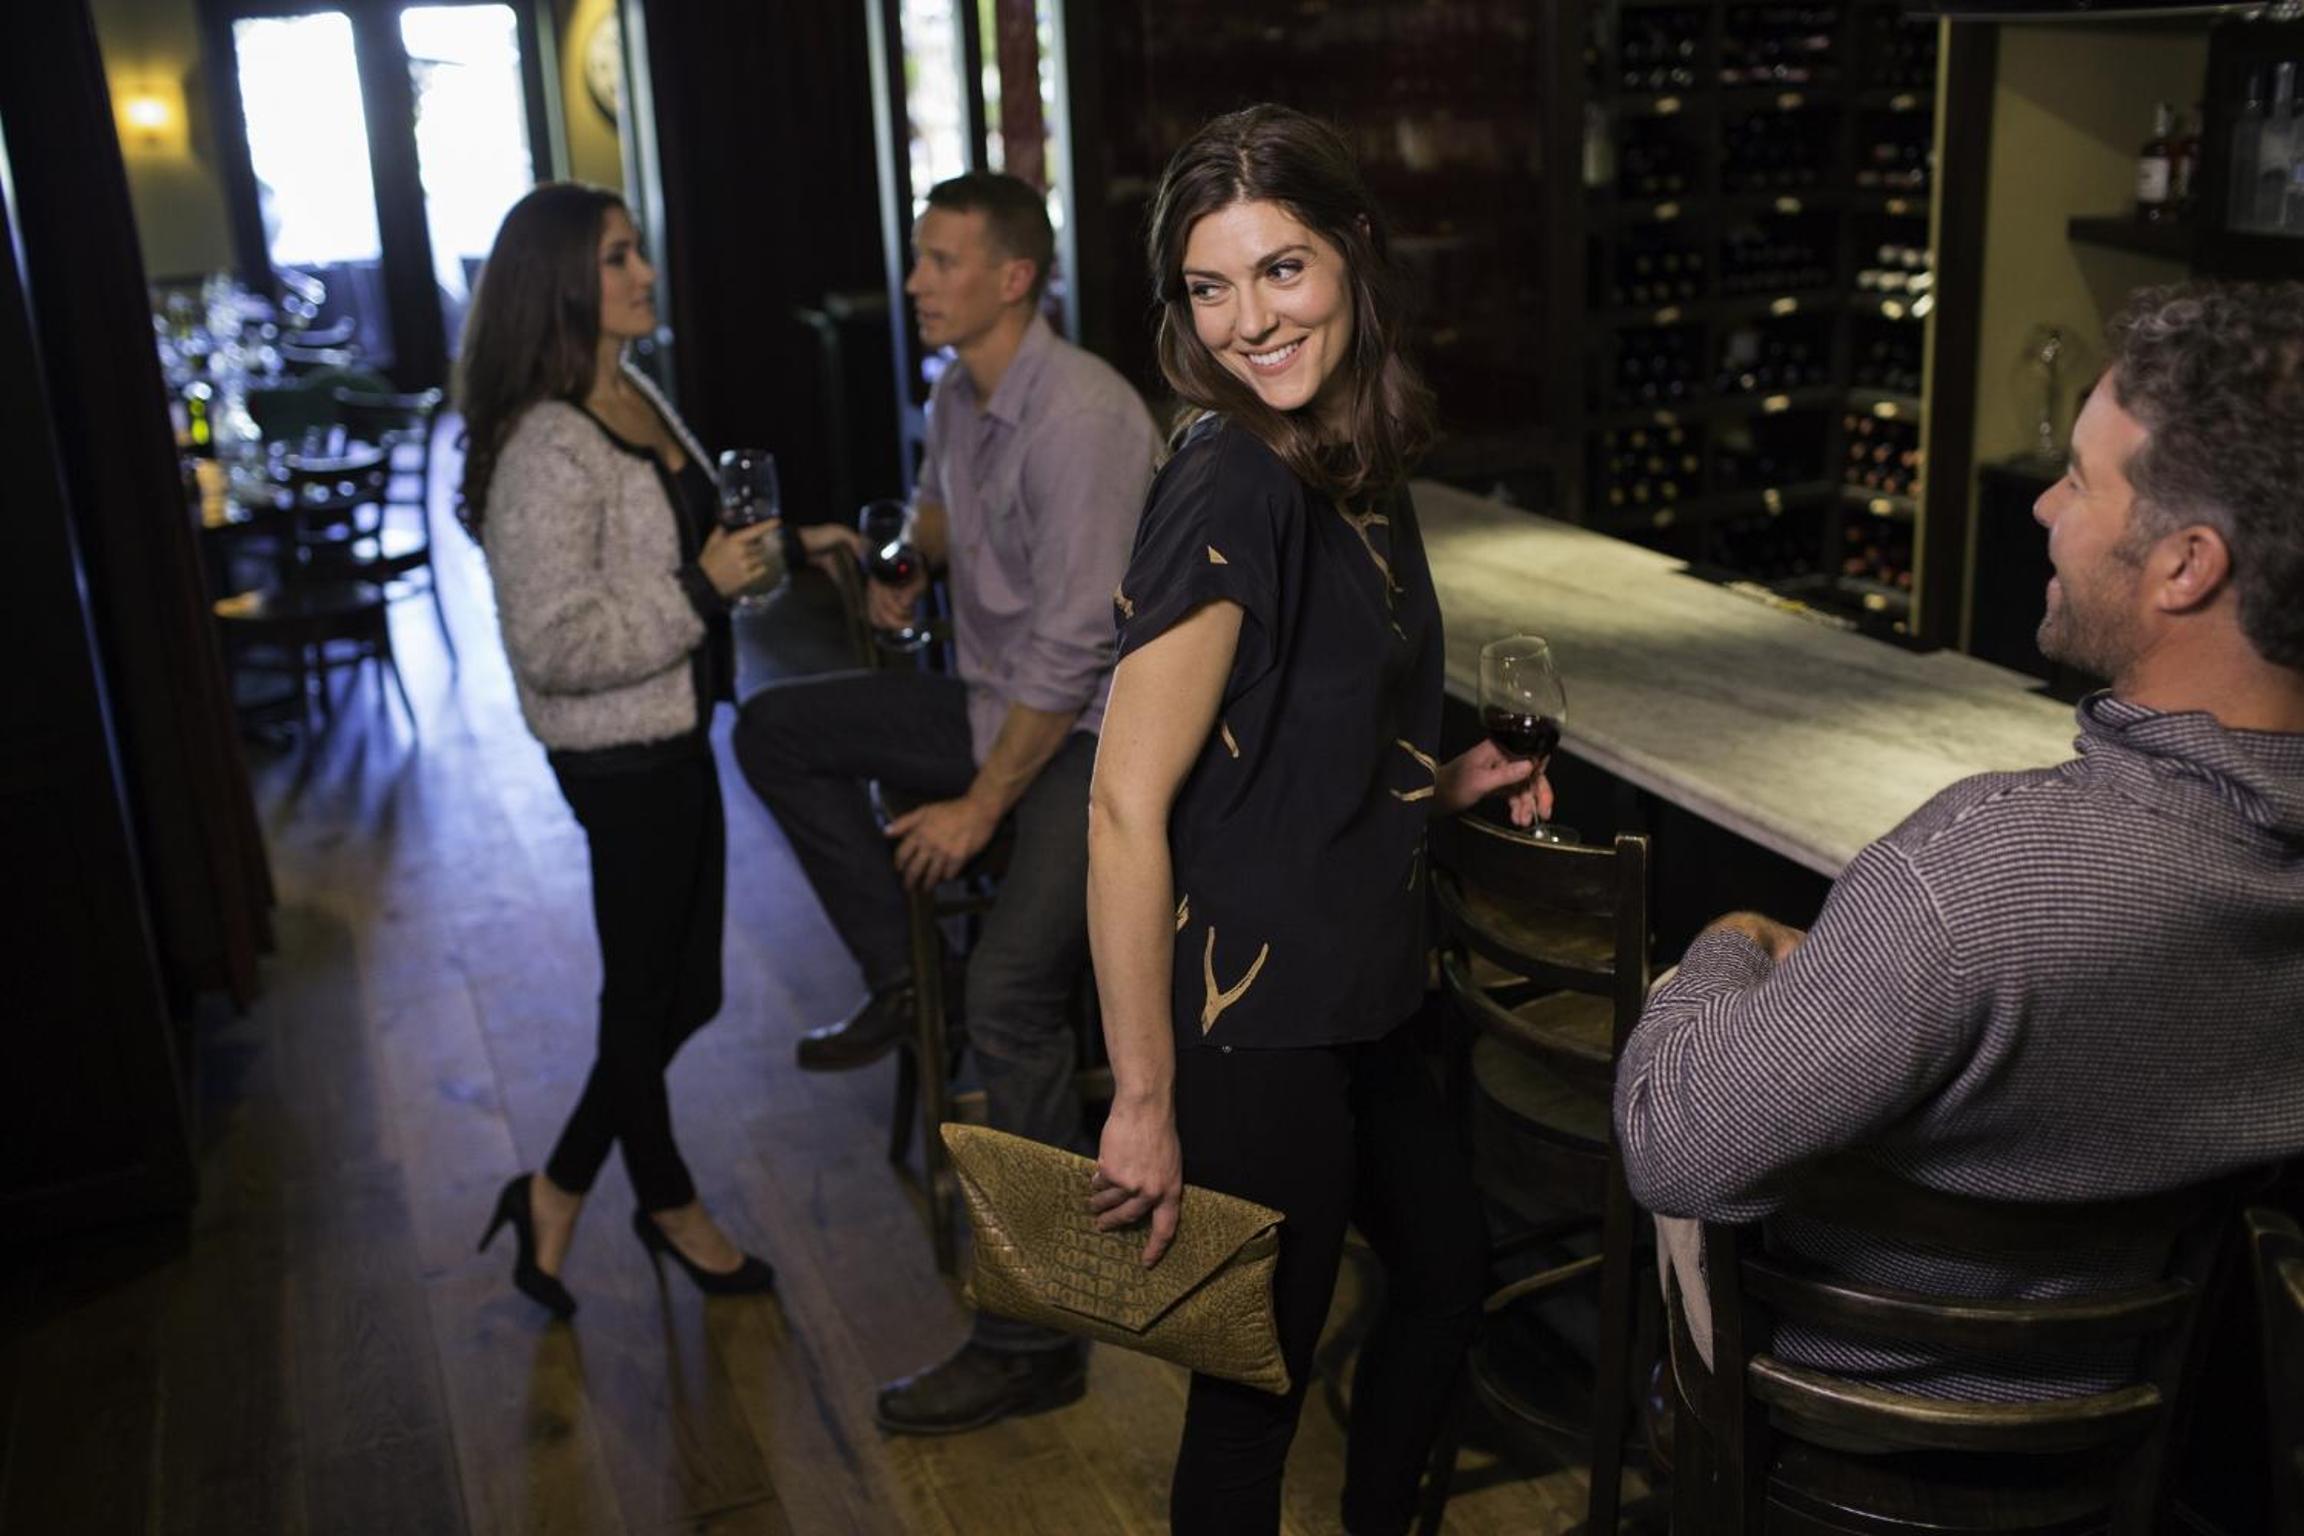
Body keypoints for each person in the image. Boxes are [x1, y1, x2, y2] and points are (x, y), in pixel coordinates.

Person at [1614, 281, 2304, 1400]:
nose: (2043, 506)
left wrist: (1730, 944)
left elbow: (1671, 1140)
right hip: (2138, 1427)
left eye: (2079, 479)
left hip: (1850, 1424)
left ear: (2187, 565)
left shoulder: (1979, 873)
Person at [1083, 106, 1555, 1536]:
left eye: (1280, 270)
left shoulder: (1350, 450)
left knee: (1447, 1276)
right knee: (1252, 1395)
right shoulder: (1232, 474)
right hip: (1255, 1018)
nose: (1249, 322)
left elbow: (1300, 736)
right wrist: (1144, 1099)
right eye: (1210, 288)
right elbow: (1122, 805)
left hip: (1373, 978)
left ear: (1353, 250)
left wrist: (1447, 782)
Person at [732, 171, 1159, 1429]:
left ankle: (1035, 1339)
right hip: (986, 698)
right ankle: (906, 980)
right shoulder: (956, 391)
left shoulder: (1084, 416)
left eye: (940, 260)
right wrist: (906, 561)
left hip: (1093, 737)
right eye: (919, 259)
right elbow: (936, 510)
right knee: (773, 728)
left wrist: (977, 806)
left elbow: (1077, 651)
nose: (915, 282)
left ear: (1014, 278)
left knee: (1015, 995)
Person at [460, 183, 852, 1316]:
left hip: (678, 729)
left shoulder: (633, 392)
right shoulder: (546, 445)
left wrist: (795, 545)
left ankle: (556, 1189)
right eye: (619, 257)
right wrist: (701, 587)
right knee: (651, 998)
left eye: (638, 251)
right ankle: (664, 1203)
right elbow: (555, 645)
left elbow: (704, 547)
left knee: (685, 993)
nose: (644, 273)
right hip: (617, 756)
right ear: (562, 284)